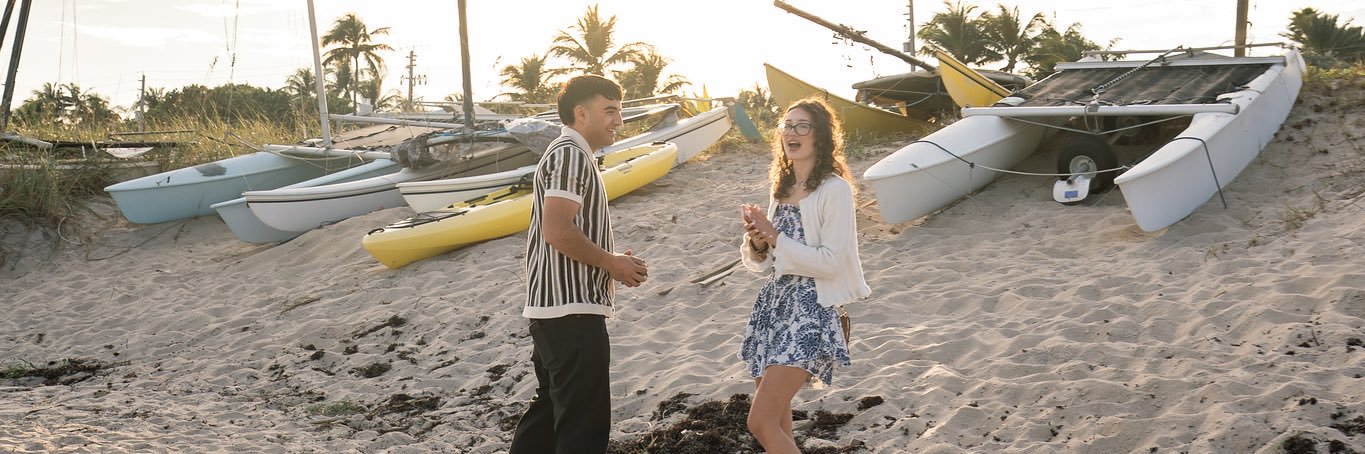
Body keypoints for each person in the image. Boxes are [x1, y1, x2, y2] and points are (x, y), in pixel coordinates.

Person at [511, 74, 649, 454]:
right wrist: (611, 263)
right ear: (581, 113)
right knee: (583, 427)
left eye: (619, 111)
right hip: (570, 312)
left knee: (548, 417)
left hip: (555, 311)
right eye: (610, 111)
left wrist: (612, 260)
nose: (618, 120)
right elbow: (556, 229)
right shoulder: (570, 154)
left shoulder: (570, 153)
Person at [737, 97, 871, 453]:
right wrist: (758, 243)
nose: (791, 132)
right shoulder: (781, 188)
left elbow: (830, 262)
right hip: (774, 306)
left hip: (811, 309)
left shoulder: (835, 189)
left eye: (802, 126)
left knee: (760, 421)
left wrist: (775, 237)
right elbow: (767, 263)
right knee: (778, 423)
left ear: (820, 136)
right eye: (786, 125)